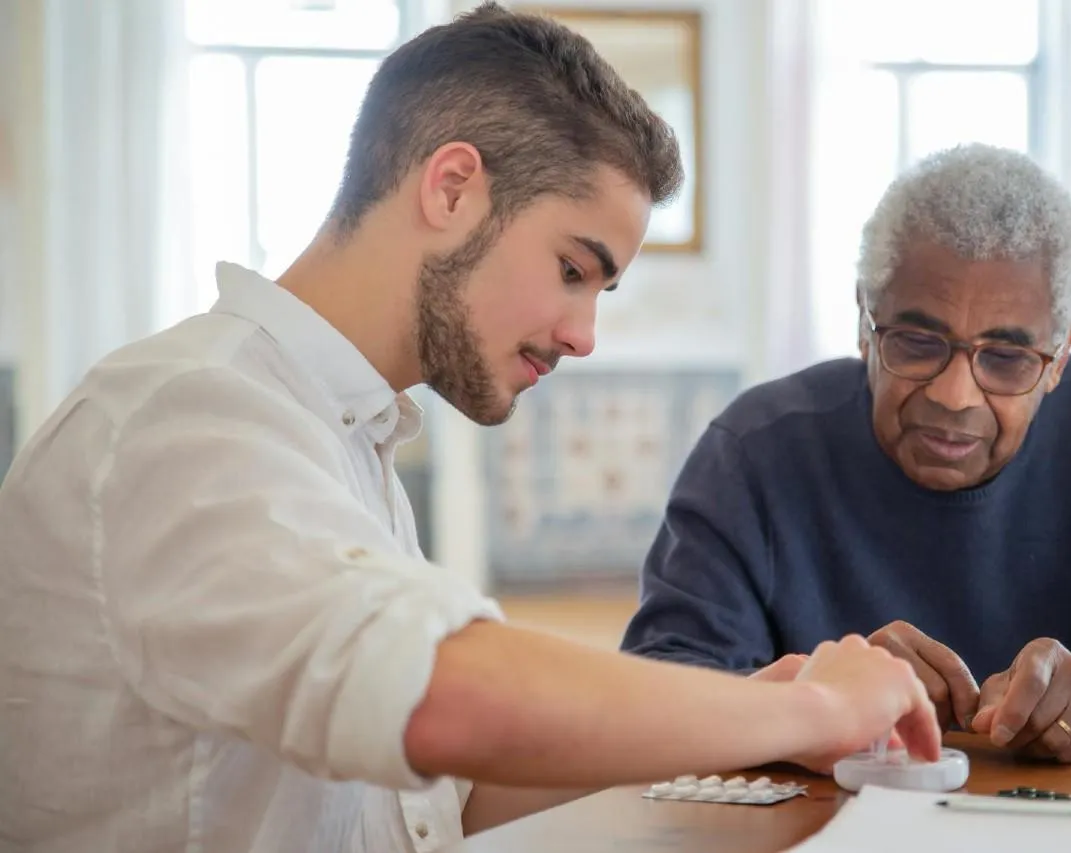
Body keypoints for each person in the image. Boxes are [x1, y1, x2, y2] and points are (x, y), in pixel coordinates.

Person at [0, 6, 941, 852]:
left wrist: (748, 710)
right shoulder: (187, 415)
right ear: (452, 188)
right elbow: (442, 696)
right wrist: (810, 710)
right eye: (575, 269)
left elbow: (435, 800)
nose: (584, 334)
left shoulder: (339, 432)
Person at [621, 143, 1071, 765]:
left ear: (1061, 354)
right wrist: (817, 698)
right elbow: (661, 689)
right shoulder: (756, 449)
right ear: (865, 321)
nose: (954, 394)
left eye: (1007, 358)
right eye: (917, 342)